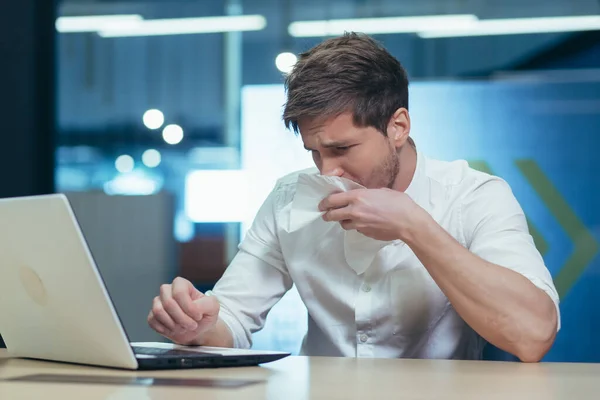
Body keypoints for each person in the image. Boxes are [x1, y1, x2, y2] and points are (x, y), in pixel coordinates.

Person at [147, 32, 559, 362]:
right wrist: (197, 328)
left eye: (342, 149)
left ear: (397, 127)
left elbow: (532, 336)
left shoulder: (474, 196)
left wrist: (415, 226)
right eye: (314, 151)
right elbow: (231, 321)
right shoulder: (291, 197)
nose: (328, 172)